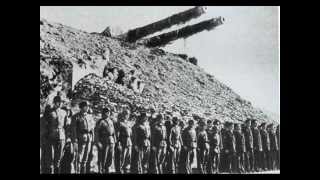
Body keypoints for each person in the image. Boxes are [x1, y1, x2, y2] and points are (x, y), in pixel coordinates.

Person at [43, 95, 68, 174]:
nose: (60, 104)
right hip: (50, 137)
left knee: (58, 159)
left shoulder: (64, 112)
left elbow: (66, 126)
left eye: (61, 102)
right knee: (50, 158)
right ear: (54, 102)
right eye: (58, 102)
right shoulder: (49, 112)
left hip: (61, 137)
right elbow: (44, 125)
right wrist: (45, 137)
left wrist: (67, 138)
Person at [71, 101, 95, 174]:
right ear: (81, 107)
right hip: (80, 139)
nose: (87, 108)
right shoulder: (76, 116)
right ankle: (77, 171)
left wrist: (93, 139)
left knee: (86, 158)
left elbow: (92, 129)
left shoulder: (89, 116)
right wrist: (75, 141)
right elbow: (73, 130)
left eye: (88, 106)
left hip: (88, 139)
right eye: (86, 106)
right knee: (78, 158)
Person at [95, 107, 117, 173]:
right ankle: (101, 170)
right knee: (102, 158)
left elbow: (113, 131)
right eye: (106, 112)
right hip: (103, 140)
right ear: (103, 113)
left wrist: (115, 140)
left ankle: (107, 170)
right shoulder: (100, 121)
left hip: (111, 141)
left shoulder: (110, 121)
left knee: (110, 158)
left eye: (108, 112)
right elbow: (96, 132)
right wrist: (98, 142)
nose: (108, 113)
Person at [116, 109, 133, 173]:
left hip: (129, 142)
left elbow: (130, 133)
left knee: (128, 159)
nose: (127, 115)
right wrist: (118, 143)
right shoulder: (120, 123)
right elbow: (117, 134)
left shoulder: (129, 123)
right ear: (123, 115)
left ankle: (126, 170)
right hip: (123, 142)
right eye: (126, 114)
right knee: (121, 159)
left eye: (128, 114)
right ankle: (120, 171)